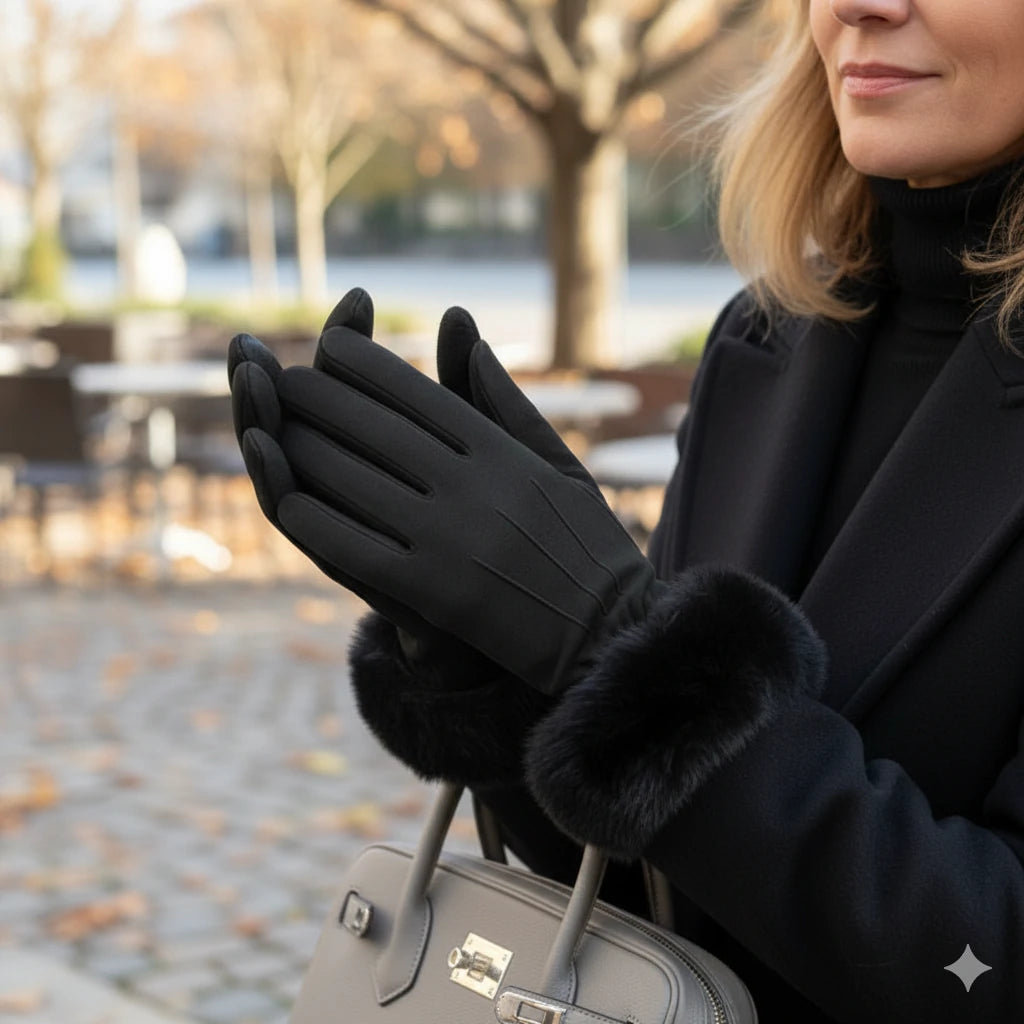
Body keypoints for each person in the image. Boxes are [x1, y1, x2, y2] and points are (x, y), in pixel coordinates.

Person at [227, 0, 1024, 1019]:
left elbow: (993, 953)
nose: (857, 6)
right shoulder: (768, 342)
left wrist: (625, 646)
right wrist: (496, 658)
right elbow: (643, 892)